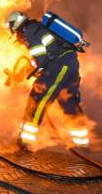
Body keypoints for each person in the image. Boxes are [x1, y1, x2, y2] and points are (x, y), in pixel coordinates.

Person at [5, 10, 89, 150]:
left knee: (37, 100)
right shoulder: (37, 28)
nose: (17, 37)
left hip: (58, 66)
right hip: (69, 63)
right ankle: (83, 143)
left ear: (17, 26)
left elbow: (42, 59)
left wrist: (35, 73)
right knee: (68, 101)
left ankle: (25, 142)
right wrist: (29, 71)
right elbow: (43, 57)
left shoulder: (30, 32)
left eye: (15, 32)